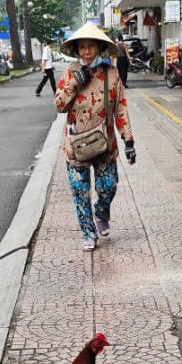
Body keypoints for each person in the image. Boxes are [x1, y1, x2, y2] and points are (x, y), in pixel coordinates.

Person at [54, 23, 136, 251]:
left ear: (100, 48)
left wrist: (129, 140)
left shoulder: (111, 73)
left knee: (108, 186)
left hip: (105, 144)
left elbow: (120, 108)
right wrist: (74, 83)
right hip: (76, 145)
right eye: (82, 47)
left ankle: (101, 214)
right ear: (77, 50)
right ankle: (89, 233)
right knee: (80, 191)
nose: (86, 52)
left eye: (91, 47)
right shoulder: (70, 72)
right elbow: (59, 105)